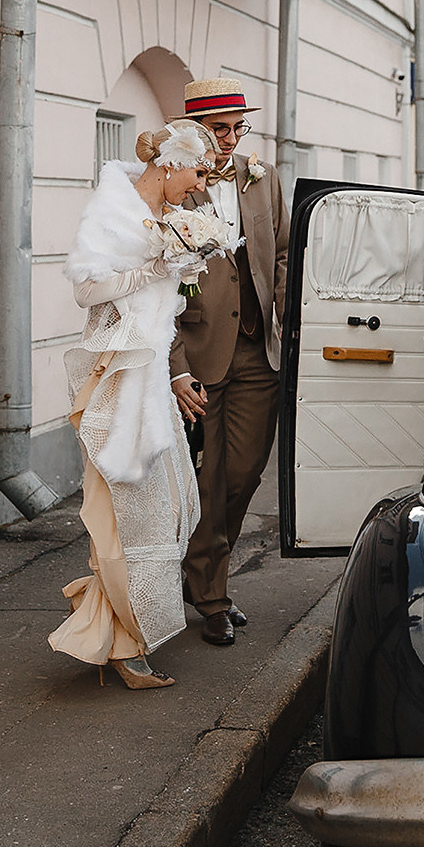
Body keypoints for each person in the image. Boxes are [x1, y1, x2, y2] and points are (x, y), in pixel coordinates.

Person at [49, 119, 219, 688]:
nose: (200, 187)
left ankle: (121, 631)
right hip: (118, 378)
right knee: (126, 511)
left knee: (168, 506)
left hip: (151, 381)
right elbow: (87, 289)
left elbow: (162, 311)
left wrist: (181, 269)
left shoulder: (169, 217)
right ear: (171, 163)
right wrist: (154, 268)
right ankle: (124, 642)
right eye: (198, 174)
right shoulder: (113, 209)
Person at [169, 77, 289, 647]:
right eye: (220, 129)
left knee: (243, 474)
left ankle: (200, 575)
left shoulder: (262, 179)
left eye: (239, 128)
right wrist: (174, 366)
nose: (231, 139)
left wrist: (289, 322)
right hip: (198, 354)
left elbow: (283, 254)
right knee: (207, 479)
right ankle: (211, 593)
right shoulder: (173, 185)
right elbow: (154, 285)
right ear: (193, 130)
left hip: (258, 349)